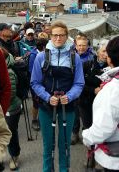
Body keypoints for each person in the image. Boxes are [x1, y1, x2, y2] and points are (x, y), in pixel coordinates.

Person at [31, 21, 85, 172]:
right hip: (46, 107)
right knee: (48, 146)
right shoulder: (41, 57)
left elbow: (79, 83)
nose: (58, 38)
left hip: (68, 107)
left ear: (67, 37)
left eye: (62, 35)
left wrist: (70, 96)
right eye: (55, 35)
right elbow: (35, 83)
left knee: (65, 145)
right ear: (50, 36)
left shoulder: (75, 58)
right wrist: (48, 97)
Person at [82, 36, 119, 172]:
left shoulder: (114, 88)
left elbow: (103, 128)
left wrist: (87, 137)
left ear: (109, 59)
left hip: (116, 156)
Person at [0, 47, 22, 170]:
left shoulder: (9, 72)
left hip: (11, 108)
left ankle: (14, 156)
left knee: (10, 133)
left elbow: (11, 94)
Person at [71, 33, 96, 145]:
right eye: (79, 45)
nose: (81, 48)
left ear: (87, 45)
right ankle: (75, 134)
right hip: (74, 90)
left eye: (83, 45)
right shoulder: (70, 56)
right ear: (75, 45)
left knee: (87, 116)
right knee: (74, 114)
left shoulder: (92, 56)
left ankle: (86, 136)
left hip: (87, 92)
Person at [28, 33, 49, 131]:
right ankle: (34, 120)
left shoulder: (44, 54)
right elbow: (33, 72)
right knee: (36, 103)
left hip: (44, 82)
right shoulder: (33, 55)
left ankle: (42, 120)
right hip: (35, 83)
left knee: (43, 102)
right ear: (44, 47)